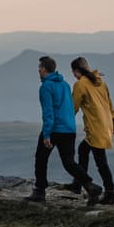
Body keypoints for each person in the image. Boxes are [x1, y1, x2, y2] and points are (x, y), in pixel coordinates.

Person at [28, 55, 100, 204]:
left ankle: (39, 191)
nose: (38, 71)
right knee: (68, 162)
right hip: (69, 129)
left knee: (41, 158)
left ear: (43, 69)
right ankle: (90, 185)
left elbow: (48, 112)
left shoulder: (46, 87)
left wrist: (47, 134)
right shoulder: (65, 84)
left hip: (54, 129)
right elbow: (70, 107)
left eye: (39, 68)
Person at [71, 56, 114, 205]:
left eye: (73, 71)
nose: (73, 75)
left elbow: (73, 107)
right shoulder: (101, 82)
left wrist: (64, 121)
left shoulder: (80, 84)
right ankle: (80, 183)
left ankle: (109, 193)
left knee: (101, 161)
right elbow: (109, 104)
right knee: (83, 150)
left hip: (95, 127)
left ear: (77, 70)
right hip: (105, 125)